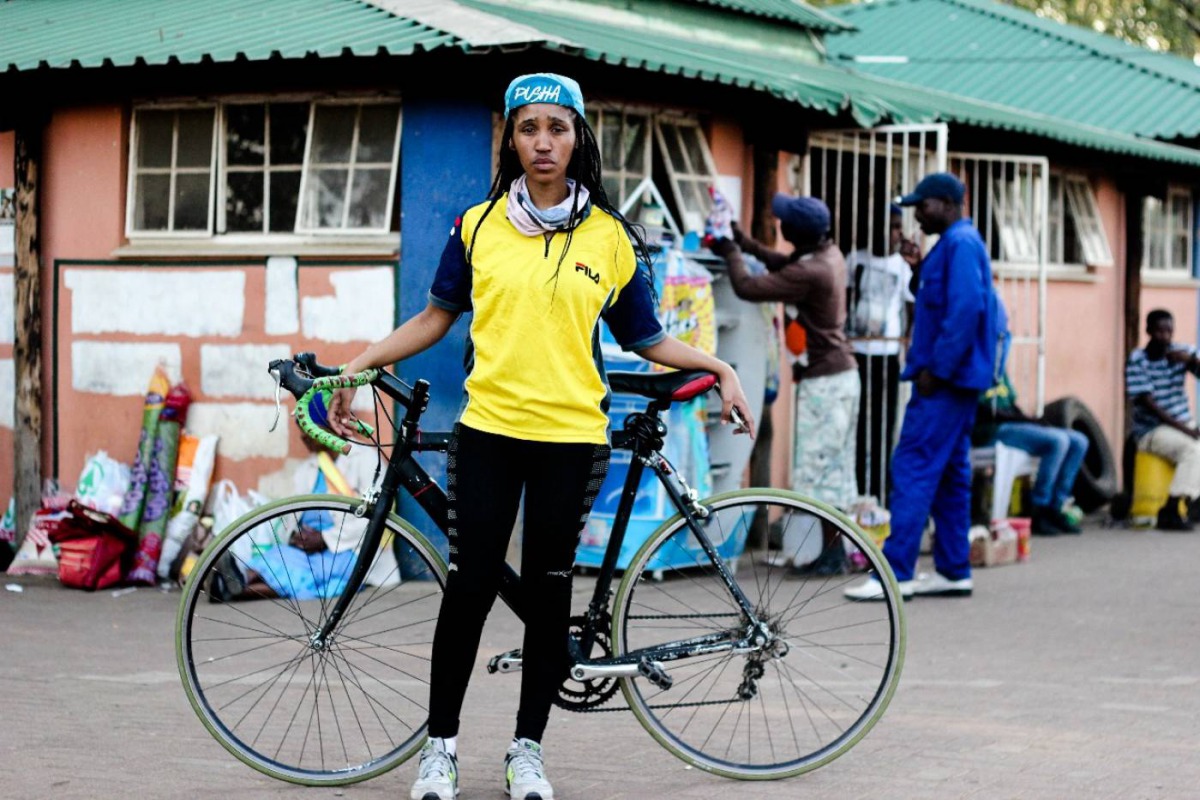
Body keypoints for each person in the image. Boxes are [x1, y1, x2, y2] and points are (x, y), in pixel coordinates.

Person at [326, 73, 754, 800]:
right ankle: (440, 751)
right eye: (529, 129)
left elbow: (647, 338)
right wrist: (355, 366)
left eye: (557, 128)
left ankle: (527, 751)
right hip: (488, 431)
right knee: (467, 589)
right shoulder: (476, 226)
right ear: (511, 139)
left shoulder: (611, 238)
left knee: (551, 595)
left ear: (578, 137)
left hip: (572, 439)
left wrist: (717, 365)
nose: (543, 142)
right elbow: (434, 319)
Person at [844, 172, 998, 601]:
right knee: (950, 474)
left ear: (948, 204)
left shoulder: (961, 244)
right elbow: (942, 296)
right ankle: (953, 569)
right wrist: (918, 268)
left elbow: (965, 309)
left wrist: (939, 368)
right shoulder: (952, 246)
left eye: (923, 206)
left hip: (945, 381)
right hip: (958, 381)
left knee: (912, 466)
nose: (917, 215)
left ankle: (893, 574)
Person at [708, 194, 860, 576]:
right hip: (838, 377)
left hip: (825, 383)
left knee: (817, 470)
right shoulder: (826, 255)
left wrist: (729, 252)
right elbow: (780, 262)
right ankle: (832, 552)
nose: (780, 224)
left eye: (784, 221)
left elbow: (747, 287)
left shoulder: (811, 272)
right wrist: (741, 241)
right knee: (832, 470)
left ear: (795, 231)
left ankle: (830, 556)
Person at [846, 203, 917, 500]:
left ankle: (881, 493)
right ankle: (860, 492)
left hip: (887, 355)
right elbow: (847, 299)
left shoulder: (902, 267)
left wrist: (906, 343)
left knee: (884, 427)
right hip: (858, 352)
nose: (896, 233)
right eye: (891, 226)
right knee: (858, 425)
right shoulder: (855, 259)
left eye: (899, 227)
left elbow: (911, 310)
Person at [973, 366, 1087, 535]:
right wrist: (1026, 421)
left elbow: (1011, 405)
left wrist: (1032, 420)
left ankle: (1056, 507)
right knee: (1057, 441)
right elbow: (987, 413)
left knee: (1079, 441)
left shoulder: (999, 368)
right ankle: (1039, 508)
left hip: (1012, 425)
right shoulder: (976, 366)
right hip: (990, 431)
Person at [1125, 308, 1200, 531]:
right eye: (1159, 331)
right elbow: (1150, 406)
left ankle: (1193, 502)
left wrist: (1191, 361)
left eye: (1169, 331)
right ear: (1148, 331)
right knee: (1192, 451)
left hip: (1183, 423)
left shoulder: (1181, 353)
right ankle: (1171, 508)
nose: (1165, 336)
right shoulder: (1138, 360)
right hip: (1151, 430)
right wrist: (1188, 432)